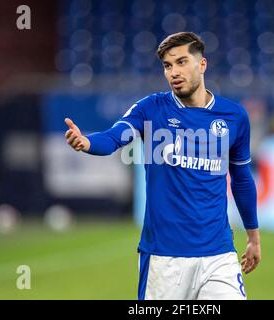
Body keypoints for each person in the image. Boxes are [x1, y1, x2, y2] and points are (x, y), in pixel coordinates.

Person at [64, 32, 261, 300]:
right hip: (163, 260)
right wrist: (87, 142)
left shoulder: (234, 116)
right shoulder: (151, 109)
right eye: (168, 66)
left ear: (202, 65)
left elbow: (241, 179)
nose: (173, 72)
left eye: (181, 62)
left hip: (219, 255)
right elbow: (115, 137)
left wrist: (253, 237)